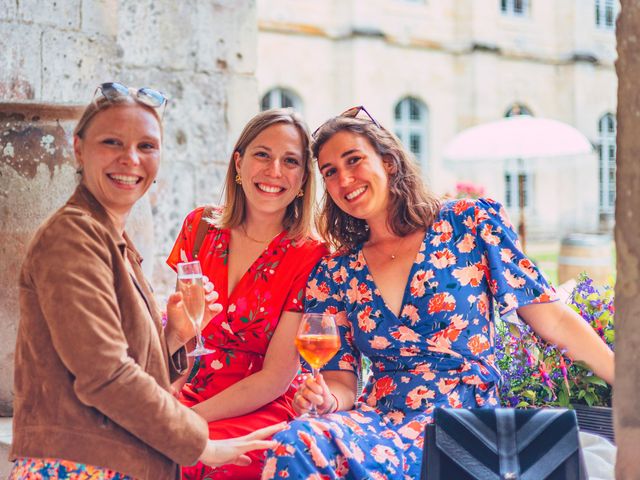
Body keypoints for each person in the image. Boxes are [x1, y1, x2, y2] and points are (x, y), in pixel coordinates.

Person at [261, 107, 615, 479]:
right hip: (379, 420)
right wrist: (326, 399)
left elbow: (553, 317)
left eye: (354, 160)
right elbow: (341, 381)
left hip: (465, 421)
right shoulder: (335, 272)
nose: (345, 179)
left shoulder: (469, 222)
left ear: (389, 162)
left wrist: (623, 381)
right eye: (330, 172)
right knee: (296, 441)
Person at [9, 83, 284, 480]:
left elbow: (122, 363)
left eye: (147, 146)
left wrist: (175, 336)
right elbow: (105, 375)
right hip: (78, 465)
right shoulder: (72, 237)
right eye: (112, 142)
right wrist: (202, 445)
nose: (131, 159)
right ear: (79, 149)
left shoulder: (110, 237)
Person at [166, 108, 328, 479]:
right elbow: (183, 338)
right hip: (188, 391)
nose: (274, 171)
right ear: (238, 162)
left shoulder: (311, 255)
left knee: (198, 462)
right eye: (262, 154)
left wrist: (186, 422)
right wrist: (165, 405)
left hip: (260, 405)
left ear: (303, 179)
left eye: (290, 161)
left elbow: (276, 377)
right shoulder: (199, 227)